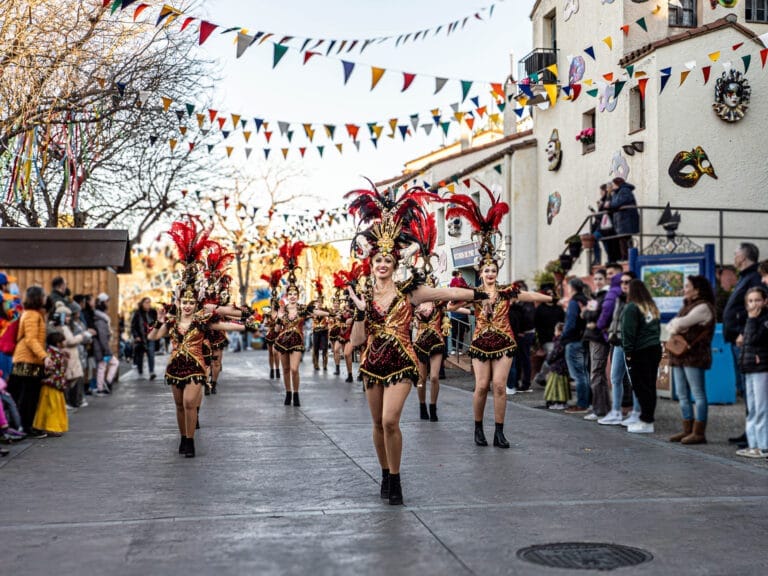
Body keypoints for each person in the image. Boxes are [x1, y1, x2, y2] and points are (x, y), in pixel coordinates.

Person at [345, 182, 484, 506]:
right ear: (371, 263)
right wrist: (361, 313)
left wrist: (479, 294)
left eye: (388, 261)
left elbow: (447, 294)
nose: (382, 265)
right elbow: (356, 341)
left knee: (391, 420)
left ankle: (396, 478)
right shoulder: (365, 296)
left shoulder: (409, 291)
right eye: (378, 260)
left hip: (402, 361)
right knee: (377, 423)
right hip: (372, 364)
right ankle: (384, 472)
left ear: (395, 265)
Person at [444, 187, 552, 448]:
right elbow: (449, 305)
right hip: (481, 342)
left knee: (500, 387)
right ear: (480, 272)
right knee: (482, 386)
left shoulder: (506, 292)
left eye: (493, 269)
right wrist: (464, 304)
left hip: (504, 341)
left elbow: (529, 296)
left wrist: (550, 297)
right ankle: (478, 428)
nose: (490, 273)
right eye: (486, 270)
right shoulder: (475, 292)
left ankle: (500, 431)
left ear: (497, 271)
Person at [148, 218, 253, 458]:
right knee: (178, 405)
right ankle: (184, 438)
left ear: (196, 303)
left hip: (196, 366)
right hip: (175, 367)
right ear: (179, 302)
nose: (186, 306)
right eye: (183, 302)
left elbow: (227, 323)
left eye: (191, 302)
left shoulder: (203, 320)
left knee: (188, 403)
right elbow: (153, 337)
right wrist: (159, 320)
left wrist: (245, 321)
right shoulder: (172, 321)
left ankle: (191, 439)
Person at [273, 240, 329, 407]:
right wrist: (278, 317)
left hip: (297, 341)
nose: (292, 296)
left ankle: (296, 394)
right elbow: (276, 329)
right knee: (285, 370)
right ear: (286, 295)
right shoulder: (281, 309)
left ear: (297, 295)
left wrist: (331, 313)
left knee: (295, 369)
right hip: (282, 341)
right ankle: (288, 392)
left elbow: (315, 312)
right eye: (289, 293)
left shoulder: (303, 308)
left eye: (294, 293)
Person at [666, 275, 716, 445]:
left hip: (694, 355)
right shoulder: (688, 306)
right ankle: (687, 429)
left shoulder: (703, 307)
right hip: (680, 355)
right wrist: (676, 323)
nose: (685, 289)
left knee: (697, 393)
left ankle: (699, 432)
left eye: (688, 286)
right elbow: (672, 325)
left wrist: (677, 324)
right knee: (682, 393)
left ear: (697, 290)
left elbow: (678, 325)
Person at [723, 243, 762, 447]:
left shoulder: (753, 279)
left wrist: (742, 332)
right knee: (745, 389)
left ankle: (754, 434)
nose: (734, 256)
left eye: (736, 253)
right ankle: (750, 430)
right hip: (737, 339)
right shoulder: (745, 277)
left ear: (744, 257)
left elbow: (752, 309)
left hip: (743, 340)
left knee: (751, 391)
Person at [598, 269, 643, 426]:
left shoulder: (637, 302)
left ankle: (637, 413)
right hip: (618, 343)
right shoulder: (619, 299)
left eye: (627, 282)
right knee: (615, 378)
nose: (624, 285)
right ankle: (616, 412)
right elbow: (614, 321)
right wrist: (610, 336)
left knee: (634, 380)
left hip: (631, 345)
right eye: (622, 282)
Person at [7, 286, 51, 436]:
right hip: (28, 360)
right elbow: (31, 339)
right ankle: (26, 426)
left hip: (24, 359)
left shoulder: (31, 313)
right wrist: (44, 356)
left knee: (20, 394)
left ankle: (18, 426)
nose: (45, 298)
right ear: (37, 298)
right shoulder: (32, 315)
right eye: (43, 295)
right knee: (29, 396)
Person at [621, 279, 662, 433]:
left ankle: (646, 421)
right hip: (654, 348)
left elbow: (628, 332)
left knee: (640, 387)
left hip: (640, 350)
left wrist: (628, 352)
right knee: (650, 386)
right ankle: (648, 418)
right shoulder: (651, 307)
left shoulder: (632, 307)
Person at [736, 287, 768, 458]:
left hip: (761, 367)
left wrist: (752, 320)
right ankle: (753, 444)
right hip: (748, 366)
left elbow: (753, 339)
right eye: (750, 301)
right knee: (752, 408)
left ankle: (763, 446)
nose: (754, 304)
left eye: (757, 300)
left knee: (762, 407)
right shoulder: (749, 320)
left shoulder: (761, 320)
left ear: (765, 301)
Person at [581, 268, 612, 421]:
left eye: (600, 279)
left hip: (599, 338)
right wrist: (588, 313)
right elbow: (586, 315)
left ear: (606, 279)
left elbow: (591, 314)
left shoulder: (604, 295)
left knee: (596, 373)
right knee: (598, 374)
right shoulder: (597, 296)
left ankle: (600, 410)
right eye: (596, 279)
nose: (598, 282)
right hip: (593, 337)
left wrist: (589, 313)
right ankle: (603, 408)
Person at [32, 332, 69, 437]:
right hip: (52, 384)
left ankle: (48, 426)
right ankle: (51, 427)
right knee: (51, 407)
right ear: (58, 343)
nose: (64, 343)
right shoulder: (52, 353)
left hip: (55, 384)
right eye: (63, 341)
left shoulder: (55, 352)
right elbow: (50, 369)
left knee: (52, 407)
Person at [562, 278, 591, 413]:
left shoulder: (574, 302)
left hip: (574, 340)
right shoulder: (585, 299)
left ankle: (582, 404)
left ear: (571, 288)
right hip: (585, 339)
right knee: (584, 372)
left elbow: (571, 323)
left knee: (578, 374)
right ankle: (587, 401)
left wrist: (563, 336)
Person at [507, 280, 536, 394]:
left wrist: (520, 331)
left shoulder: (526, 303)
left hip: (525, 334)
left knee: (524, 359)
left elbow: (528, 319)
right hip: (520, 334)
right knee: (519, 359)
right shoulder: (521, 303)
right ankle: (517, 383)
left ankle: (525, 384)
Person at [532, 283, 565, 386]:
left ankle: (555, 379)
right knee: (552, 354)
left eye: (551, 293)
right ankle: (542, 376)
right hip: (546, 339)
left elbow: (563, 321)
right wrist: (538, 343)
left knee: (558, 356)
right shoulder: (539, 309)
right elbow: (536, 326)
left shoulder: (558, 308)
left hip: (559, 337)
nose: (550, 295)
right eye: (548, 294)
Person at [93, 293, 118, 396]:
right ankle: (104, 385)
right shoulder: (101, 320)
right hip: (102, 347)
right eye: (107, 301)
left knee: (102, 366)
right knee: (106, 365)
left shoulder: (100, 318)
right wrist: (107, 350)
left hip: (100, 347)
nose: (108, 304)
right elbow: (103, 336)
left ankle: (102, 385)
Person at [609, 177, 639, 261]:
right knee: (623, 239)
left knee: (624, 239)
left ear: (618, 184)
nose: (612, 186)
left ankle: (627, 257)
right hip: (622, 220)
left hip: (626, 219)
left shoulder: (625, 190)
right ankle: (626, 256)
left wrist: (611, 204)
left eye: (613, 184)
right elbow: (614, 203)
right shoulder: (617, 192)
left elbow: (617, 203)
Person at [543, 322, 570, 409]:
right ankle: (562, 402)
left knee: (556, 386)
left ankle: (558, 402)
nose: (554, 332)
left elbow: (555, 353)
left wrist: (548, 360)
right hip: (563, 367)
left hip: (557, 367)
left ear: (559, 331)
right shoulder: (565, 340)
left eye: (555, 330)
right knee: (563, 385)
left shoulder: (559, 341)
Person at [130, 297, 157, 380]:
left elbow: (156, 323)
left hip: (150, 337)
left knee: (151, 354)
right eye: (146, 302)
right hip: (141, 337)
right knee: (140, 356)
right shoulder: (137, 313)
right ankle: (140, 371)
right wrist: (136, 336)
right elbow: (133, 326)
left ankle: (151, 372)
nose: (148, 304)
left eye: (149, 302)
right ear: (142, 303)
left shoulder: (152, 312)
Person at [449, 270, 470, 354]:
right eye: (460, 274)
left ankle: (460, 349)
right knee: (454, 332)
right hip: (455, 316)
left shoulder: (463, 281)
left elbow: (465, 287)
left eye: (461, 274)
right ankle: (454, 348)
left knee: (461, 333)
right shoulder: (454, 281)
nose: (461, 275)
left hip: (463, 316)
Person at [311, 280, 330, 372]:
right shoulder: (312, 310)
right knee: (315, 348)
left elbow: (330, 316)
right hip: (315, 331)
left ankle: (325, 364)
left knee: (325, 348)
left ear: (322, 302)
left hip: (324, 331)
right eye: (318, 302)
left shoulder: (326, 309)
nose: (319, 303)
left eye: (320, 302)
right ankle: (316, 364)